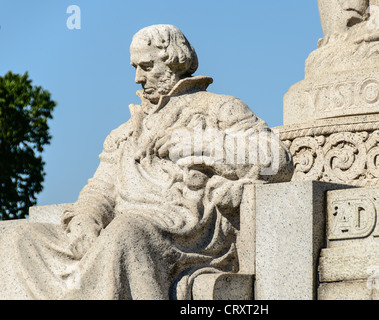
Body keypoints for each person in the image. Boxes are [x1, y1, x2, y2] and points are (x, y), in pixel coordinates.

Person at [0, 25, 293, 300]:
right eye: (135, 68)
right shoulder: (124, 131)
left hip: (182, 233)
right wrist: (85, 223)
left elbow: (276, 161)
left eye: (147, 67)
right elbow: (99, 190)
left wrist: (200, 144)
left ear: (175, 62)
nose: (138, 79)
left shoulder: (219, 107)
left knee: (126, 233)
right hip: (124, 227)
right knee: (15, 237)